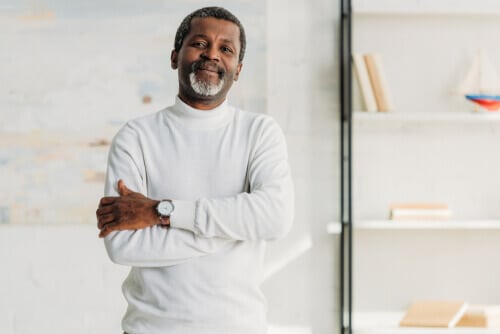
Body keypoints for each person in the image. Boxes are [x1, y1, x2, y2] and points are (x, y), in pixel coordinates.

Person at [96, 6, 294, 334]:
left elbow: (275, 218)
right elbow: (121, 245)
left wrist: (162, 212)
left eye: (225, 49)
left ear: (239, 68)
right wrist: (231, 230)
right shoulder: (136, 136)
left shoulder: (259, 132)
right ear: (175, 56)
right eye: (200, 44)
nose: (212, 55)